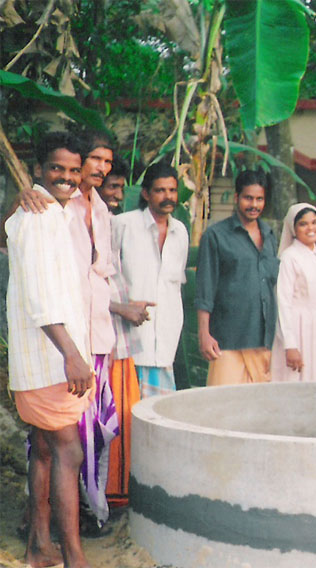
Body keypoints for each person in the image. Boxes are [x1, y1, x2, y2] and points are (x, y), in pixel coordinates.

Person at [19, 130, 123, 533]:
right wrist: (23, 194)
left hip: (91, 335)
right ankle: (56, 535)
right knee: (61, 444)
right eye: (95, 159)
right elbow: (39, 290)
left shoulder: (99, 210)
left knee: (80, 438)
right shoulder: (44, 208)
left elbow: (98, 276)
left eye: (107, 161)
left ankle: (62, 527)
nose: (101, 168)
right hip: (59, 347)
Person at [6, 131, 94, 568]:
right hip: (51, 361)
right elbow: (41, 298)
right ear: (39, 169)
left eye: (74, 170)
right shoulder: (38, 217)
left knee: (44, 449)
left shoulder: (48, 213)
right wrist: (71, 354)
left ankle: (40, 548)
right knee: (67, 452)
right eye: (57, 168)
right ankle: (74, 557)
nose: (66, 177)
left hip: (42, 362)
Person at [97, 157, 150, 507]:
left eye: (120, 187)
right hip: (102, 341)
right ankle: (103, 499)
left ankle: (117, 496)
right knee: (108, 422)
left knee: (125, 418)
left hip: (120, 339)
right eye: (112, 186)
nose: (118, 194)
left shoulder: (109, 222)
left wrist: (129, 307)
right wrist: (122, 309)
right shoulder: (87, 222)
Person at [112, 162, 189, 398]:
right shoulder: (123, 224)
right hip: (128, 336)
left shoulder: (180, 231)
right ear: (146, 193)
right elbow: (105, 276)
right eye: (160, 190)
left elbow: (175, 284)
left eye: (172, 190)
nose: (168, 197)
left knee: (158, 410)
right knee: (126, 408)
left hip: (166, 336)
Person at [196, 170, 279, 386]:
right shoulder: (216, 235)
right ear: (236, 197)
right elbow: (205, 289)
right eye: (248, 198)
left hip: (263, 342)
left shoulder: (269, 236)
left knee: (260, 405)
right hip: (227, 339)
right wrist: (204, 333)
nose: (254, 205)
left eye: (259, 199)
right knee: (224, 403)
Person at [270, 203, 316, 382]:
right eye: (303, 224)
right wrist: (290, 344)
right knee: (298, 381)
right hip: (298, 327)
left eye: (314, 222)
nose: (311, 228)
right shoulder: (289, 257)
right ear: (293, 229)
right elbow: (283, 302)